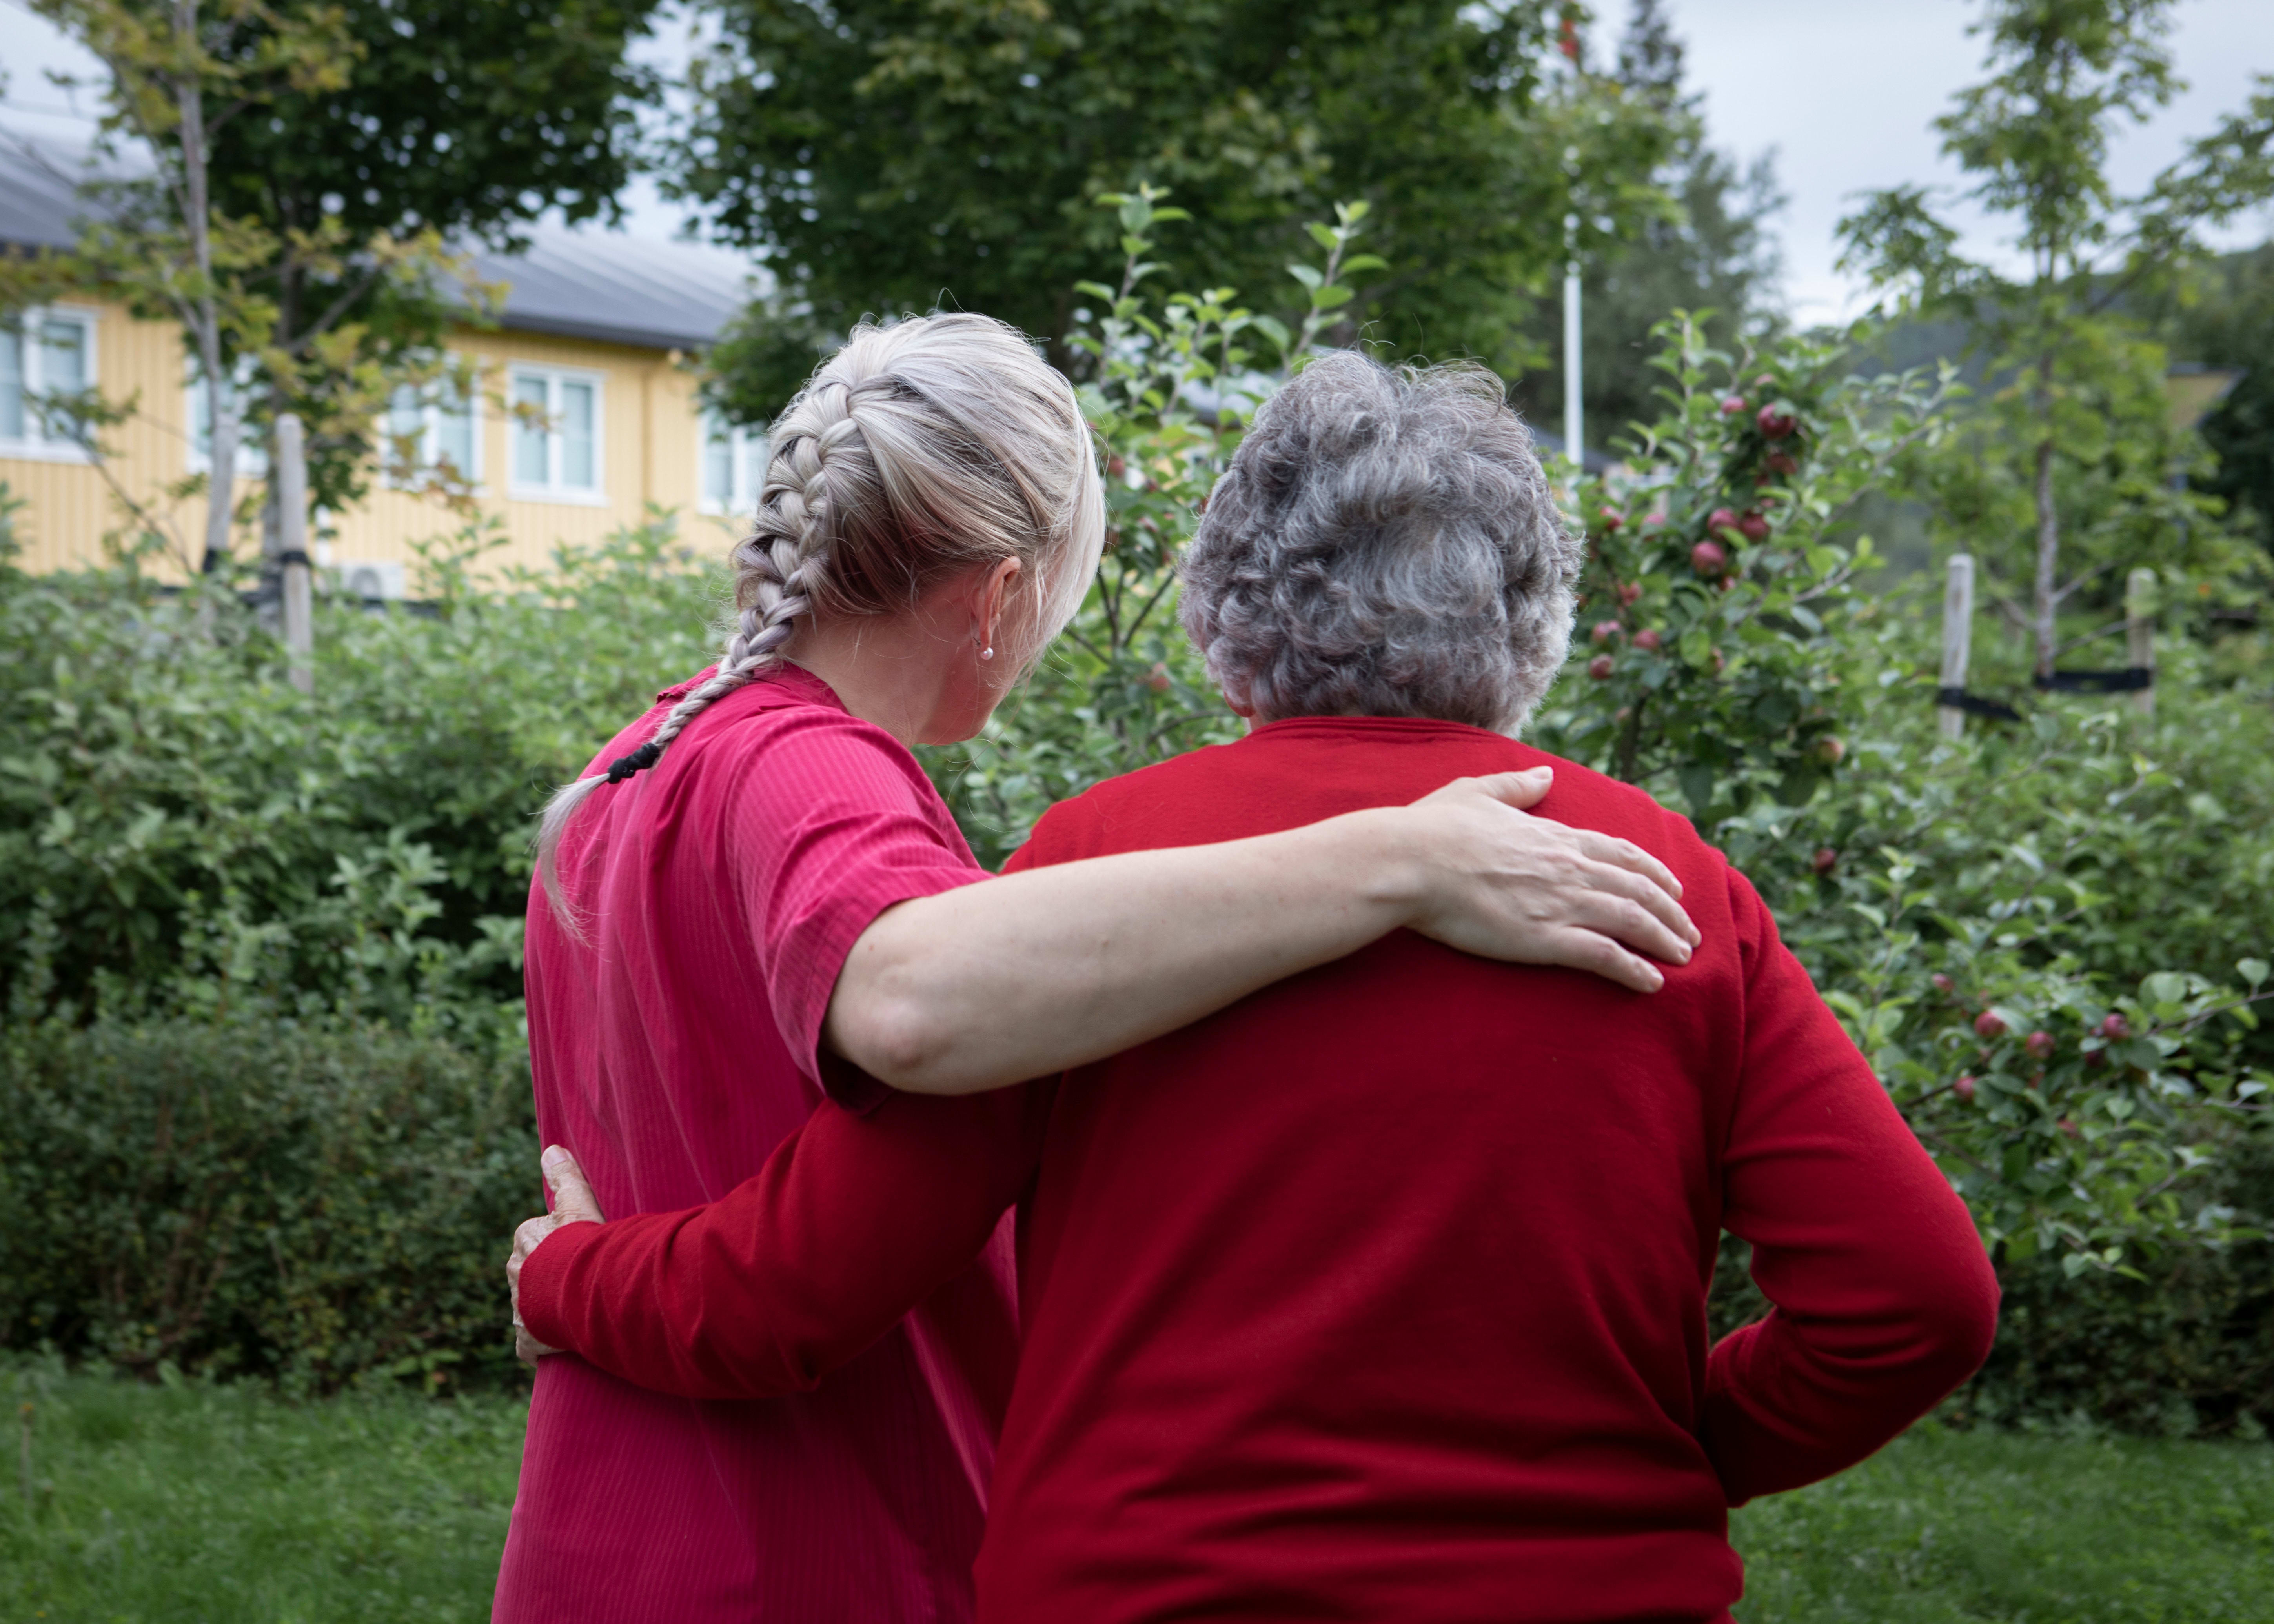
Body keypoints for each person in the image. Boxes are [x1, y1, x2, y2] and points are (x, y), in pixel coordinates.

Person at [510, 351, 2001, 1624]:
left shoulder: (1095, 876)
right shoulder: (1662, 885)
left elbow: (803, 1278)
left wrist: (567, 1275)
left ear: (1227, 609)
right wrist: (1664, 1454)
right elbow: (1918, 1301)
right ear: (1535, 619)